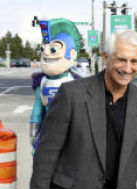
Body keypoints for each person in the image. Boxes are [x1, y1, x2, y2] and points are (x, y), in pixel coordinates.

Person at [26, 30, 137, 189]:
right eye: (121, 60)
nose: (128, 68)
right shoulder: (72, 95)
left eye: (134, 61)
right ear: (105, 58)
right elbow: (47, 152)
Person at [30, 18, 87, 154]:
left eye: (53, 49)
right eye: (43, 48)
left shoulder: (77, 82)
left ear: (72, 54)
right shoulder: (42, 83)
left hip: (71, 137)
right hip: (47, 135)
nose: (46, 53)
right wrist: (33, 134)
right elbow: (37, 111)